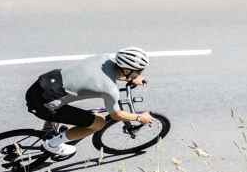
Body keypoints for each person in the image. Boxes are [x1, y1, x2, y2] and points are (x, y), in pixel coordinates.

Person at [24, 47, 155, 156]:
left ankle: (50, 126)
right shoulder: (109, 89)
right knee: (99, 123)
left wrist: (130, 77)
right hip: (43, 104)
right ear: (127, 70)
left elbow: (110, 74)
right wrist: (139, 117)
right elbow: (116, 115)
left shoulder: (104, 58)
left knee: (65, 98)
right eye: (138, 71)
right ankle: (52, 144)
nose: (140, 73)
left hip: (42, 85)